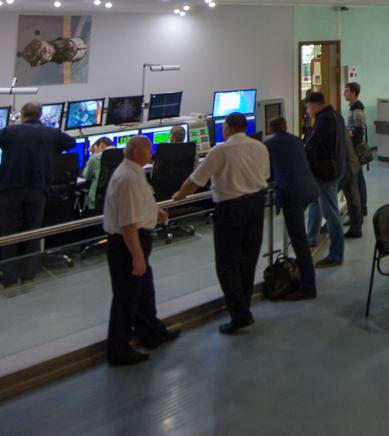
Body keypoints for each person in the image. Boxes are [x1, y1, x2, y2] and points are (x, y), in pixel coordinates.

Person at [173, 112, 270, 334]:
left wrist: (179, 196)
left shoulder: (220, 150)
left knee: (227, 264)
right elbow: (265, 175)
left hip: (231, 209)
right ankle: (243, 308)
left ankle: (240, 315)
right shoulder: (260, 147)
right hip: (256, 205)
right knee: (248, 260)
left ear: (227, 128)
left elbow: (195, 180)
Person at [0, 101, 76, 285]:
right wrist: (52, 151)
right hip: (38, 188)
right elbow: (71, 142)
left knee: (9, 233)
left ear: (22, 114)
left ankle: (9, 278)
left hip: (10, 188)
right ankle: (29, 275)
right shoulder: (51, 133)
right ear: (40, 115)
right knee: (32, 231)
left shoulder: (11, 132)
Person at [102, 136, 180, 365]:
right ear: (137, 152)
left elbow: (139, 202)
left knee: (144, 293)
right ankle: (118, 350)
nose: (152, 154)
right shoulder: (127, 178)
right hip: (127, 245)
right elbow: (127, 223)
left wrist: (155, 210)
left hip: (136, 240)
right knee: (126, 299)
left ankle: (152, 333)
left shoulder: (133, 172)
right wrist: (137, 256)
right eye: (148, 150)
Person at [265, 116, 319, 300]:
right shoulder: (296, 140)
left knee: (299, 241)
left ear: (271, 129)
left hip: (292, 193)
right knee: (298, 236)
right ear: (286, 127)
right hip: (309, 188)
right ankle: (302, 277)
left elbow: (267, 171)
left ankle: (308, 286)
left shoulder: (269, 144)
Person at [302, 91, 347, 267]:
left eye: (308, 107)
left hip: (326, 173)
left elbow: (312, 144)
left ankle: (336, 255)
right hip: (333, 169)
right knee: (315, 201)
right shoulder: (335, 116)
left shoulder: (324, 120)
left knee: (331, 214)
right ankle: (311, 237)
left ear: (315, 105)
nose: (307, 111)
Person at [343, 82, 369, 236]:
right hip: (354, 150)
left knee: (358, 181)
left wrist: (348, 137)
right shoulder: (354, 108)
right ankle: (360, 210)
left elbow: (358, 132)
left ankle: (360, 210)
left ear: (353, 93)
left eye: (346, 91)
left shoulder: (357, 110)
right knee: (359, 180)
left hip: (355, 151)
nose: (344, 93)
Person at [80, 137, 114, 210]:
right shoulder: (122, 155)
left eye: (94, 148)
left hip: (97, 202)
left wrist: (93, 156)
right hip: (115, 200)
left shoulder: (95, 158)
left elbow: (86, 176)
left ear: (102, 145)